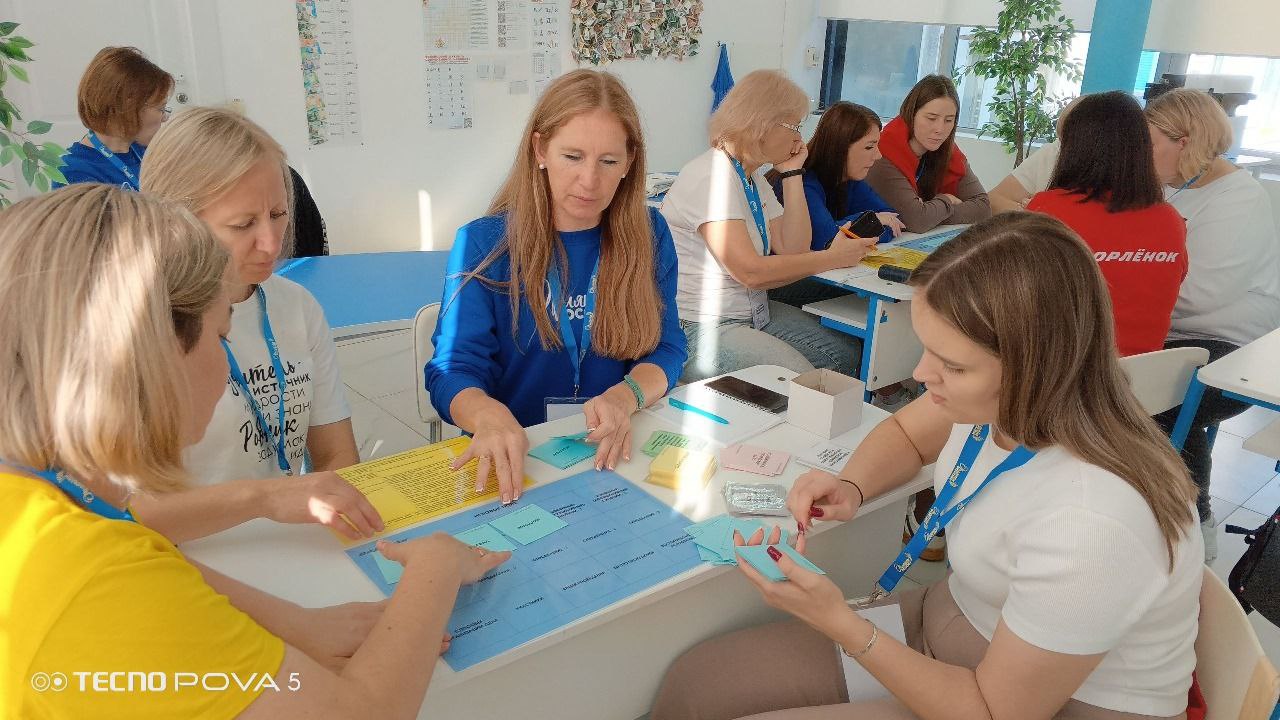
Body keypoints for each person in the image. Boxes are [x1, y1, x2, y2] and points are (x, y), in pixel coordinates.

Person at [651, 212, 1203, 720]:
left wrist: (838, 621)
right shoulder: (1011, 401)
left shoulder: (1093, 518)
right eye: (927, 348)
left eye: (952, 365)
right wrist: (851, 485)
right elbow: (907, 435)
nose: (920, 374)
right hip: (949, 624)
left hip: (1032, 705)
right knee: (697, 685)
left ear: (1036, 366)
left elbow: (991, 711)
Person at [1, 184, 508, 718]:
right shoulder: (96, 580)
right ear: (154, 355)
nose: (226, 364)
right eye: (220, 336)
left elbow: (139, 543)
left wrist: (296, 624)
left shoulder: (49, 493)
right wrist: (436, 567)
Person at [425, 69, 687, 506]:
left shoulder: (649, 233)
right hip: (518, 460)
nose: (589, 180)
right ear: (540, 150)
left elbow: (668, 347)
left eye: (608, 161)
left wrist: (626, 396)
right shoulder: (483, 244)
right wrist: (486, 415)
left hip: (611, 451)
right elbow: (452, 370)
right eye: (573, 157)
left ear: (629, 163)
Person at [135, 107, 379, 544]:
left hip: (285, 546)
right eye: (243, 224)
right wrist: (264, 499)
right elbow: (127, 513)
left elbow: (337, 454)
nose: (271, 243)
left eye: (279, 214)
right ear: (177, 225)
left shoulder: (296, 307)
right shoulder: (138, 329)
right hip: (185, 557)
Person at [661, 70, 872, 383]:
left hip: (752, 312)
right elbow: (750, 272)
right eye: (795, 127)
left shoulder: (753, 178)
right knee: (801, 382)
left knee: (844, 354)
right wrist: (833, 258)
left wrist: (792, 173)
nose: (800, 138)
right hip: (699, 327)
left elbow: (794, 248)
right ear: (762, 124)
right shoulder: (711, 177)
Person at [1145, 88, 1280, 560]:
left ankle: (1195, 525)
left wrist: (1122, 293)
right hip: (1172, 332)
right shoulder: (1171, 186)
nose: (1142, 153)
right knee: (1126, 391)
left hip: (1232, 346)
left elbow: (1200, 294)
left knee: (1158, 403)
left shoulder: (1240, 199)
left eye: (1150, 142)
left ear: (1184, 141)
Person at [1026, 91, 1186, 357]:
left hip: (1064, 371)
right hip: (1146, 376)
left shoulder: (1049, 208)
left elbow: (1018, 288)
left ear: (1074, 148)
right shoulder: (1171, 219)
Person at [766, 100, 904, 309]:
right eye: (869, 147)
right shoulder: (802, 182)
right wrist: (870, 221)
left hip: (816, 272)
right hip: (780, 284)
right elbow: (828, 242)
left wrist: (859, 225)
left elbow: (893, 220)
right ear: (840, 148)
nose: (878, 155)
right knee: (883, 288)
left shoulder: (848, 179)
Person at [866, 75, 991, 232]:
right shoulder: (882, 153)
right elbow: (917, 220)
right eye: (931, 118)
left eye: (948, 120)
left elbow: (983, 208)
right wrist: (946, 200)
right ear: (911, 114)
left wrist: (931, 212)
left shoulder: (948, 150)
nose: (940, 129)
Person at [53, 46, 173, 189]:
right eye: (161, 108)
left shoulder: (143, 151)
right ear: (128, 107)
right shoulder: (73, 173)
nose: (164, 118)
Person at [989, 96, 1083, 214]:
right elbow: (993, 200)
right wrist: (1030, 213)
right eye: (1061, 140)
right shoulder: (1052, 152)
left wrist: (1040, 212)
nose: (1062, 149)